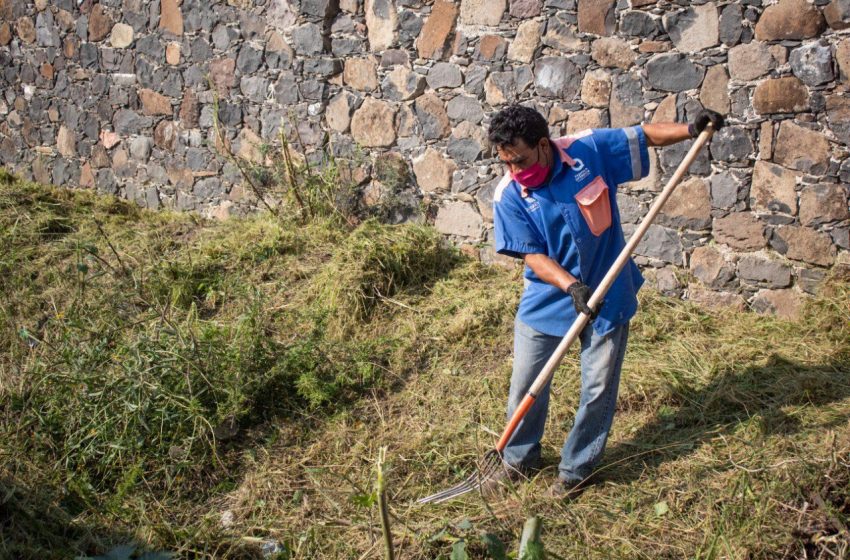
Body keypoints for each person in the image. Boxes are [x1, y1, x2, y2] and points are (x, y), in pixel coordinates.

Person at [488, 104, 723, 498]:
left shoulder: (588, 151)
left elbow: (643, 135)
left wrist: (688, 128)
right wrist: (571, 286)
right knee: (526, 383)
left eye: (521, 160)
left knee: (598, 388)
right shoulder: (509, 193)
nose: (515, 170)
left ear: (544, 145)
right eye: (506, 163)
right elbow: (532, 255)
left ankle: (575, 470)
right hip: (548, 299)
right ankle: (518, 459)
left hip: (608, 292)